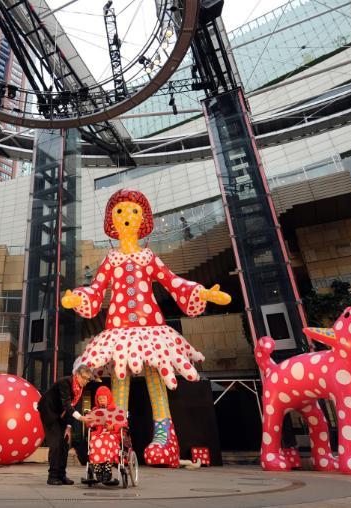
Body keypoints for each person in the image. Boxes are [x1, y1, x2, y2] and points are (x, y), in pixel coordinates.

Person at [62, 188, 231, 467]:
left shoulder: (149, 258)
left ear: (143, 220)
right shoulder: (110, 260)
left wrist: (201, 293)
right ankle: (117, 433)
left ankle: (164, 436)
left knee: (156, 377)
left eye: (133, 211)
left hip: (152, 330)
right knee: (119, 380)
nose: (126, 216)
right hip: (117, 332)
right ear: (111, 222)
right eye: (119, 212)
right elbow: (96, 290)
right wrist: (77, 297)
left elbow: (172, 281)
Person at [38, 364, 95, 485]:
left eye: (87, 379)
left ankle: (62, 475)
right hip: (49, 411)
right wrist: (81, 418)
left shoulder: (79, 389)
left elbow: (72, 407)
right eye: (84, 378)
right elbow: (67, 405)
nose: (85, 381)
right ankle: (52, 476)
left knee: (64, 443)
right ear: (77, 375)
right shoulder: (65, 383)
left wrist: (69, 426)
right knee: (56, 442)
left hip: (61, 414)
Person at [87, 386, 123, 486]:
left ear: (108, 398)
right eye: (99, 398)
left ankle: (107, 471)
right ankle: (98, 471)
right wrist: (92, 423)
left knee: (107, 440)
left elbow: (123, 423)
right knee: (94, 441)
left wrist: (113, 426)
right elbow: (88, 423)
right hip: (99, 434)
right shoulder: (94, 410)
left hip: (111, 434)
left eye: (103, 398)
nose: (101, 400)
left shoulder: (115, 409)